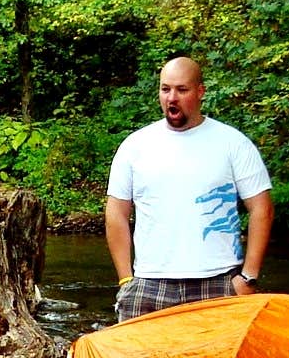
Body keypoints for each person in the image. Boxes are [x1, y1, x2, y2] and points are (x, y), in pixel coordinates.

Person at [105, 56, 275, 321]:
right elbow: (116, 212)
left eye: (182, 90)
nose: (172, 98)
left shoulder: (232, 144)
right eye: (165, 89)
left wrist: (248, 277)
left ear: (200, 92)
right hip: (149, 284)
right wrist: (126, 279)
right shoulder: (135, 146)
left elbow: (261, 208)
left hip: (219, 283)